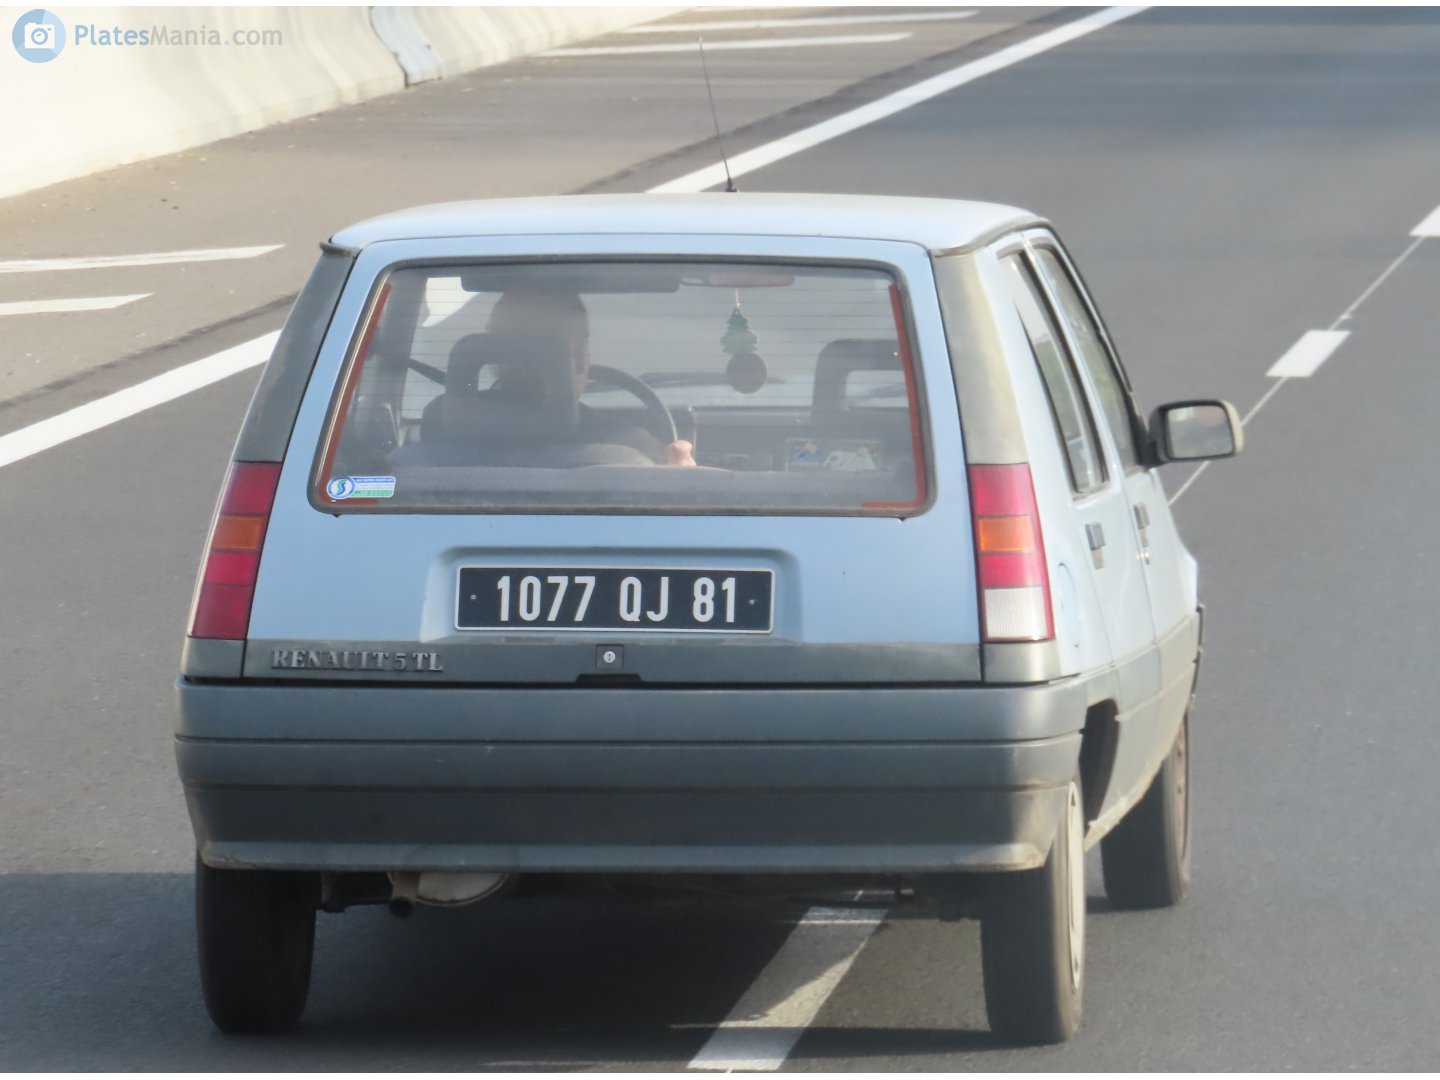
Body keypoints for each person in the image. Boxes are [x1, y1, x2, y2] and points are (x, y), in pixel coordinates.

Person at [485, 287, 696, 467]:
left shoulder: (452, 439)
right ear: (579, 356)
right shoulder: (634, 451)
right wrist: (683, 478)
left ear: (492, 355)